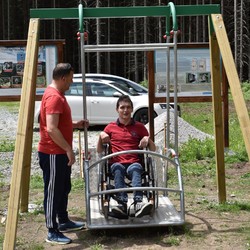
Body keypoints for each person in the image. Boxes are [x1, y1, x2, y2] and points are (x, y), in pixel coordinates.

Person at [38, 63, 89, 245]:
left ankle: (64, 221)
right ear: (63, 78)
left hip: (59, 152)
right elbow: (51, 128)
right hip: (53, 152)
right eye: (71, 79)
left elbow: (55, 123)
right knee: (53, 190)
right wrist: (68, 149)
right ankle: (52, 230)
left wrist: (75, 124)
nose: (71, 82)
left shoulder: (56, 94)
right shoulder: (54, 97)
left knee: (63, 187)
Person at [97, 95, 156, 219]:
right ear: (117, 109)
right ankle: (122, 204)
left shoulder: (140, 127)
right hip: (116, 162)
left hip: (134, 162)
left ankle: (138, 203)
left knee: (135, 169)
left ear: (132, 109)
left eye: (128, 107)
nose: (125, 110)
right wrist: (100, 136)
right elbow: (99, 150)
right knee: (118, 169)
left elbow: (153, 149)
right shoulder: (110, 127)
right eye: (122, 107)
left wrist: (147, 139)